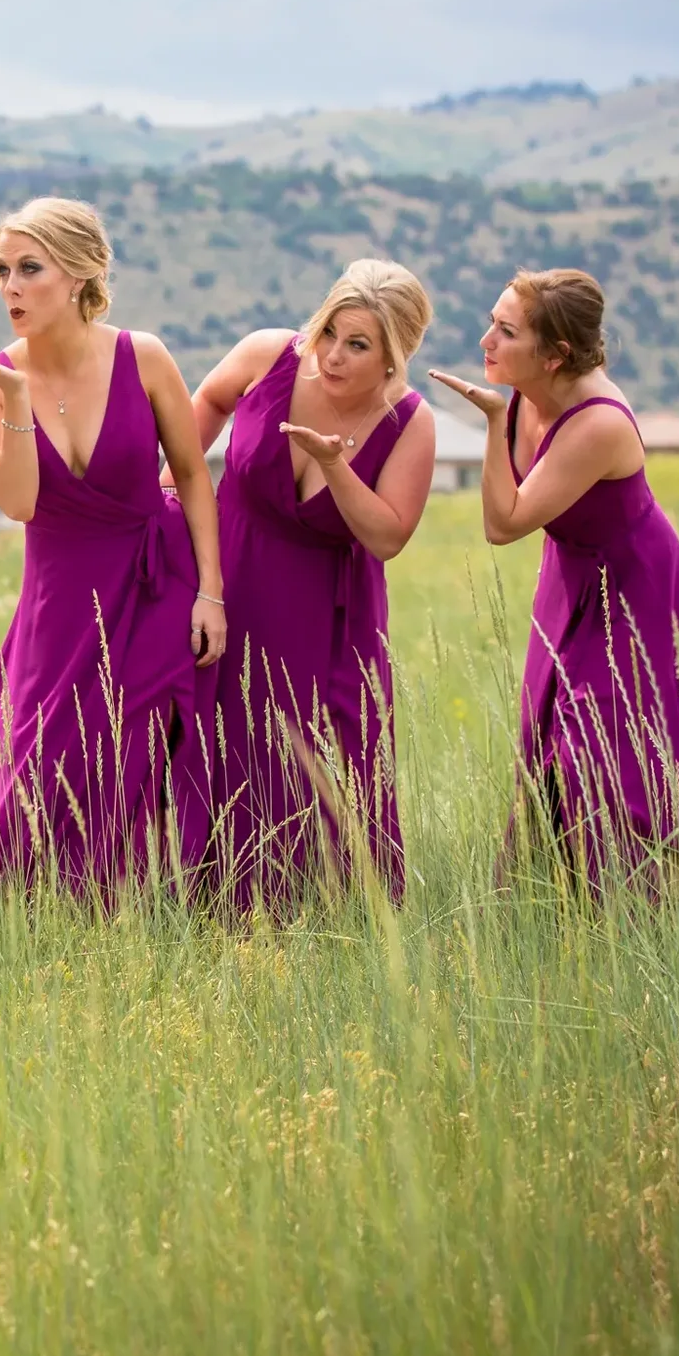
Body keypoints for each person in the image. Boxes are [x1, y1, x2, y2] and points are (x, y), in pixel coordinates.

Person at [0, 197, 224, 907]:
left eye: (29, 269)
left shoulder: (144, 356)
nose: (10, 287)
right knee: (39, 757)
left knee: (138, 750)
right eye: (2, 270)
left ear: (78, 276)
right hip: (60, 597)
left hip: (158, 581)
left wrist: (210, 591)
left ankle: (123, 908)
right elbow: (19, 502)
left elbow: (191, 472)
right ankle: (0, 913)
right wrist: (13, 403)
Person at [430, 268, 679, 900]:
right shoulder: (528, 387)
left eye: (505, 331)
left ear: (555, 356)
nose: (485, 340)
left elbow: (503, 525)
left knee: (612, 753)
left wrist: (494, 423)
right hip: (569, 575)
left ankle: (639, 918)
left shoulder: (599, 422)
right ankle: (551, 907)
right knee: (550, 741)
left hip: (633, 587)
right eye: (492, 322)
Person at [183, 260, 436, 905]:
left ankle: (329, 913)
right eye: (328, 333)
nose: (332, 355)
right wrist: (172, 482)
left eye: (358, 345)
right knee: (221, 734)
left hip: (328, 613)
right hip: (232, 577)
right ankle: (208, 901)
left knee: (324, 756)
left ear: (393, 357)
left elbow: (388, 536)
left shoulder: (410, 421)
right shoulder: (270, 354)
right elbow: (210, 400)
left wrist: (335, 466)